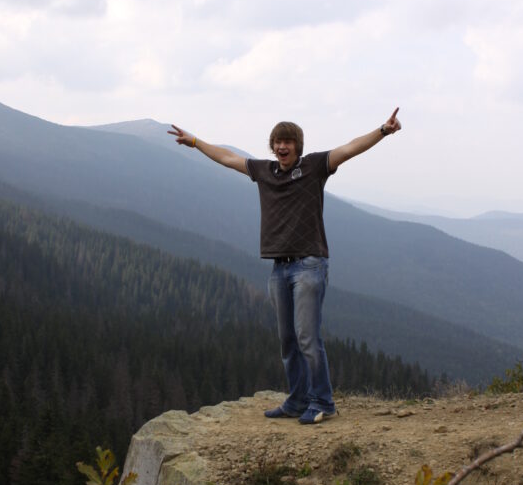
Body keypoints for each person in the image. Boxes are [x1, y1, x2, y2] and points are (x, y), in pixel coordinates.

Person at [169, 109, 402, 424]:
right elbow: (227, 157)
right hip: (279, 268)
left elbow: (349, 149)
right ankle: (297, 400)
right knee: (288, 340)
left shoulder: (314, 166)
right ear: (272, 145)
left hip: (309, 265)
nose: (282, 147)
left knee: (307, 337)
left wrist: (383, 130)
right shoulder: (264, 171)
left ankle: (323, 401)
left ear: (298, 146)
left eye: (288, 142)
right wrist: (195, 142)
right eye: (278, 142)